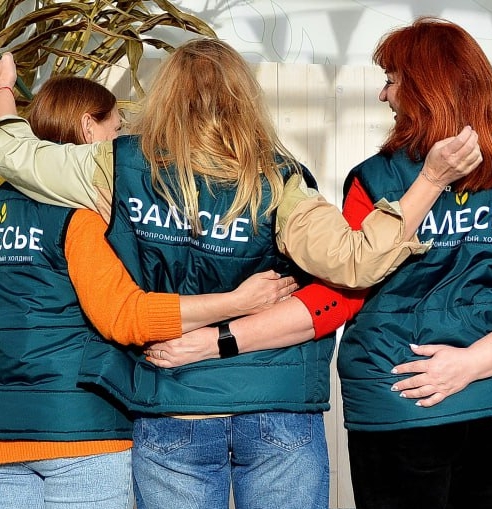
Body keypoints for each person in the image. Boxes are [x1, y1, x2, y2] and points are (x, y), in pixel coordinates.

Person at [142, 18, 492, 509]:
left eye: (392, 80)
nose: (384, 95)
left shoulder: (377, 179)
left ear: (423, 88)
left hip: (399, 400)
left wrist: (218, 340)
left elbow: (337, 298)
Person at [0, 39, 481, 509]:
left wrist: (5, 91)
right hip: (276, 405)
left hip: (174, 402)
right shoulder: (281, 179)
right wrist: (431, 180)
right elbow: (354, 261)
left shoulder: (116, 164)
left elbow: (16, 156)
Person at [0, 75, 299, 509]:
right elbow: (124, 317)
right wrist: (236, 302)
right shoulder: (84, 216)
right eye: (117, 128)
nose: (122, 144)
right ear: (88, 128)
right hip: (81, 430)